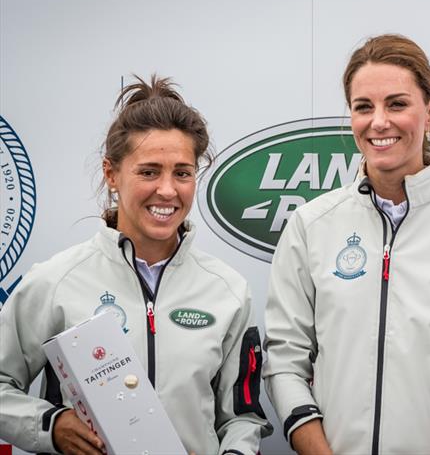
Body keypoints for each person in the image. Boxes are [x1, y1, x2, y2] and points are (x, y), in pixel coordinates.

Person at [264, 34, 430, 454]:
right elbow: (284, 361)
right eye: (363, 107)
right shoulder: (311, 225)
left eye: (397, 104)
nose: (379, 122)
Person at [0, 75, 272, 454]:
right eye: (148, 171)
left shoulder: (227, 291)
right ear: (111, 174)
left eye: (182, 172)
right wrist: (50, 425)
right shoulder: (55, 282)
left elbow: (243, 417)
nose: (167, 189)